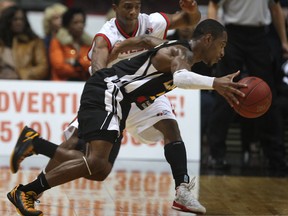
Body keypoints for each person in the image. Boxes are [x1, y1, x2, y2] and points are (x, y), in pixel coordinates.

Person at [7, 19, 247, 216]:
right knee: (95, 160)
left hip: (119, 101)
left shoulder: (174, 47)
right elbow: (182, 78)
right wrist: (215, 83)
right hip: (107, 91)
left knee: (99, 170)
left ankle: (35, 147)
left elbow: (144, 40)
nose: (223, 52)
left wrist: (119, 50)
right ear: (207, 39)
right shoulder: (180, 52)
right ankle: (26, 191)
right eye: (222, 44)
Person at [206, 0, 288, 175]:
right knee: (225, 92)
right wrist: (214, 38)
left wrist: (284, 41)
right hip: (232, 35)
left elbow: (275, 8)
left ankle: (275, 157)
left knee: (267, 95)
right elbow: (214, 5)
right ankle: (216, 154)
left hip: (259, 36)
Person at [0, 5, 48, 80]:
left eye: (22, 19)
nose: (19, 22)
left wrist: (19, 74)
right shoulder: (1, 42)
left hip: (24, 86)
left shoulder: (34, 42)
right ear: (7, 21)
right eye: (15, 19)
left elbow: (43, 67)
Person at [49, 7, 92, 81]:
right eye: (75, 22)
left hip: (84, 84)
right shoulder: (57, 42)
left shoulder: (88, 43)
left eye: (82, 22)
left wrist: (75, 63)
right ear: (67, 25)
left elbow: (92, 66)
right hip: (62, 85)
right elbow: (59, 67)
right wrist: (81, 69)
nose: (80, 26)